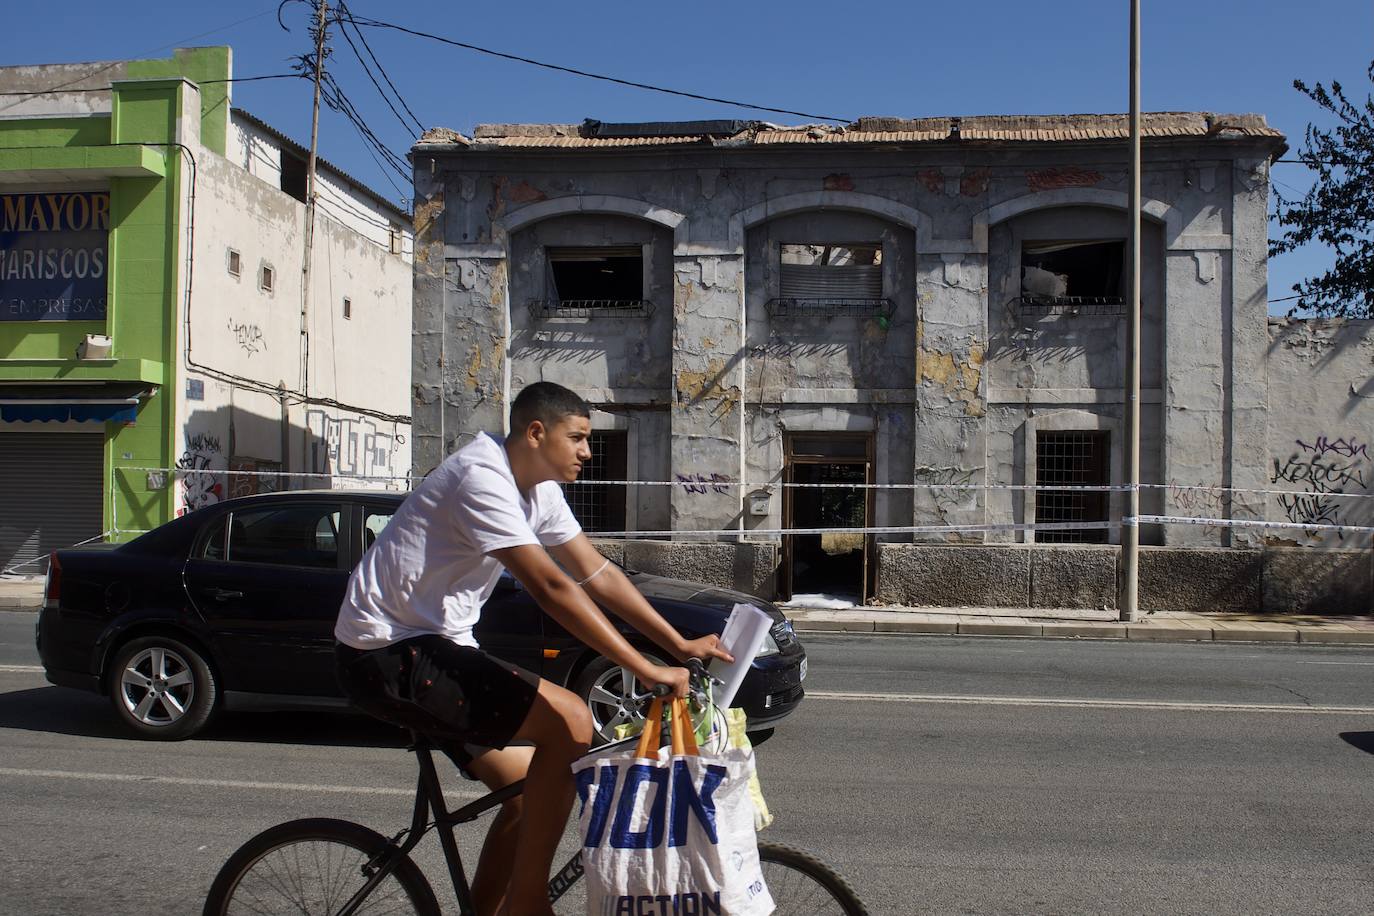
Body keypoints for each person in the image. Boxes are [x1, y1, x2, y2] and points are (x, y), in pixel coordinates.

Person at [334, 381, 732, 916]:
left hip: (436, 644)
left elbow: (596, 573)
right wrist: (643, 668)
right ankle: (526, 899)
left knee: (526, 791)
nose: (588, 452)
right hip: (385, 651)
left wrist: (676, 643)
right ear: (536, 432)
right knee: (570, 721)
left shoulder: (538, 489)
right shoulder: (481, 478)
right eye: (579, 438)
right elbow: (551, 587)